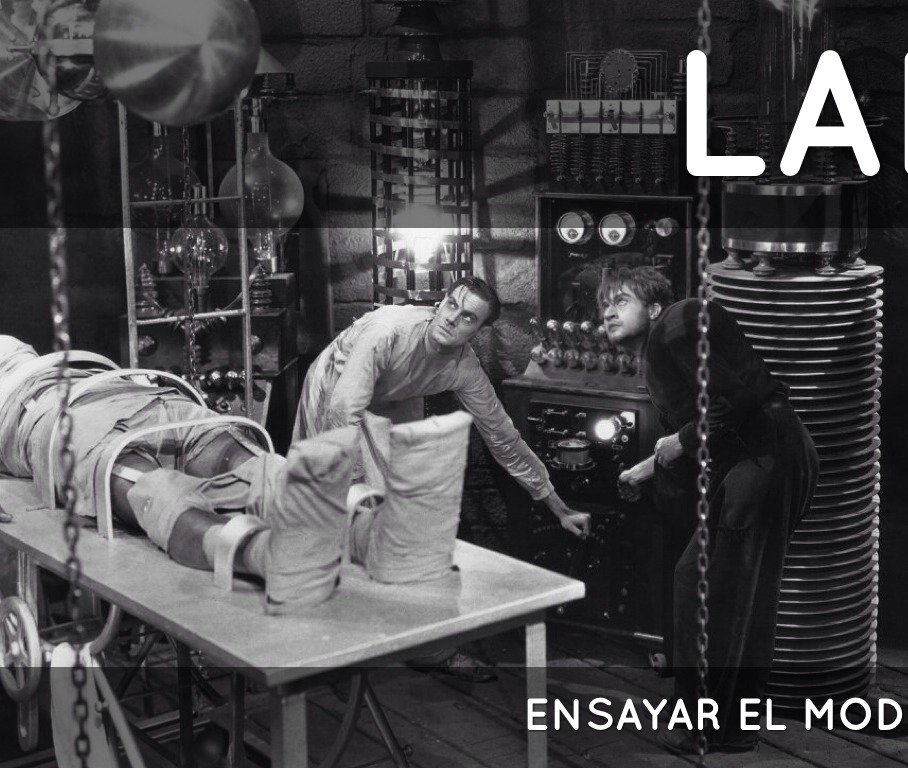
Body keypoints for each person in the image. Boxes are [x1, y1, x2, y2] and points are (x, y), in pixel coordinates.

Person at [0, 335, 469, 615]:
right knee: (239, 464)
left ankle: (268, 552)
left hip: (67, 418)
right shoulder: (25, 355)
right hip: (135, 393)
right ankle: (363, 530)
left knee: (154, 488)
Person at [603, 267, 819, 754]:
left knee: (721, 595)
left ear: (653, 307)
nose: (608, 312)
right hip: (758, 462)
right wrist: (647, 468)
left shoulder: (675, 324)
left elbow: (732, 402)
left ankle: (718, 728)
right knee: (708, 586)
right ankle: (715, 721)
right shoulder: (665, 342)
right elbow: (706, 424)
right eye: (604, 305)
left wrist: (680, 441)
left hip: (764, 461)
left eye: (621, 300)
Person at [295, 276, 591, 539]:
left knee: (402, 500)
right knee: (339, 499)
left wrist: (559, 507)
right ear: (440, 304)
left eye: (467, 318)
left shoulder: (464, 368)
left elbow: (502, 437)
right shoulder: (388, 332)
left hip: (394, 395)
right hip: (336, 383)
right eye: (451, 305)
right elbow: (343, 410)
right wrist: (354, 485)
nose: (452, 319)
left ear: (477, 331)